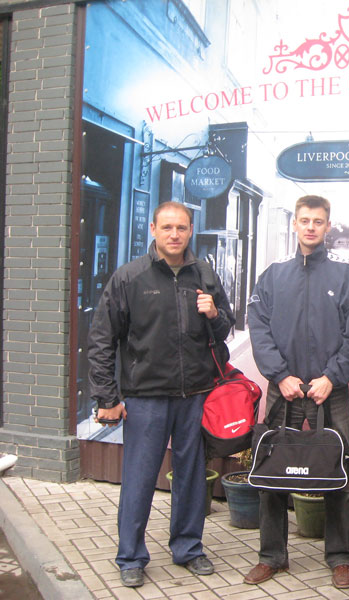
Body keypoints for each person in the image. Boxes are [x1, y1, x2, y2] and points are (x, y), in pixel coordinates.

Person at [87, 201, 234, 588]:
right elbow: (102, 339)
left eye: (181, 228)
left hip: (196, 395)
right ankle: (131, 556)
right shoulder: (130, 277)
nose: (174, 234)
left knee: (191, 477)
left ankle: (188, 548)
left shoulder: (204, 274)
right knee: (139, 478)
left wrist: (214, 314)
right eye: (167, 227)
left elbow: (225, 329)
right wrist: (107, 398)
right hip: (146, 397)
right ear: (153, 229)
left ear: (190, 231)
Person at [245, 195, 349, 590]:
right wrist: (280, 376)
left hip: (331, 392)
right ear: (294, 224)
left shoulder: (346, 277)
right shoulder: (273, 276)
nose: (311, 227)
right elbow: (259, 328)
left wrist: (333, 377)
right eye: (305, 220)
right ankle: (271, 556)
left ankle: (341, 558)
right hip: (285, 392)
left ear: (328, 226)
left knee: (339, 472)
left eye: (318, 221)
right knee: (271, 470)